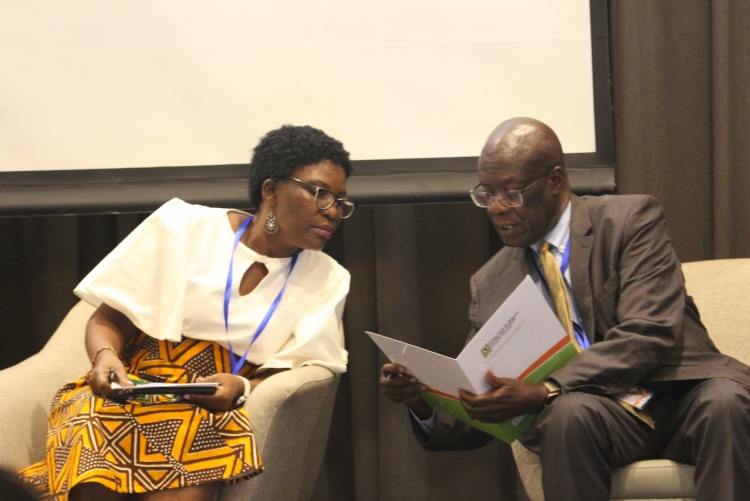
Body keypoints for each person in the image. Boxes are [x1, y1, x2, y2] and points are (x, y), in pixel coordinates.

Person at [380, 117, 750, 500]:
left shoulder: (630, 220)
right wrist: (422, 401)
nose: (496, 208)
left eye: (511, 193)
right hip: (600, 418)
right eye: (487, 194)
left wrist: (546, 389)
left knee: (725, 402)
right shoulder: (490, 283)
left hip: (679, 395)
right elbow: (481, 401)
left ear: (555, 181)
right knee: (567, 414)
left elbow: (649, 330)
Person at [20, 124, 357, 500]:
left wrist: (243, 387)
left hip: (210, 404)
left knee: (189, 476)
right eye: (320, 194)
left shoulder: (328, 277)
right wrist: (104, 356)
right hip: (134, 386)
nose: (333, 212)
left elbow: (302, 366)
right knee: (95, 456)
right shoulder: (184, 225)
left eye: (340, 202)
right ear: (271, 190)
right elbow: (109, 318)